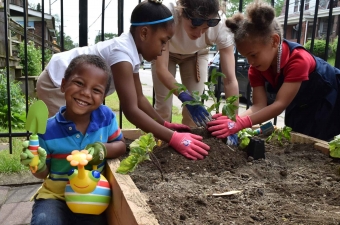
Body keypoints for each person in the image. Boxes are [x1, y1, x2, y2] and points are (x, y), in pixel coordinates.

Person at [36, 0, 210, 160]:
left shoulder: (131, 52)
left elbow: (140, 99)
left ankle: (78, 173)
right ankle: (61, 178)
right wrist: (173, 138)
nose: (164, 48)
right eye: (163, 41)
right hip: (56, 82)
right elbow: (131, 110)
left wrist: (164, 124)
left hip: (74, 84)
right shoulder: (122, 53)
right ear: (144, 33)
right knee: (68, 135)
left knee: (80, 133)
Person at [207, 0, 340, 141]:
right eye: (246, 57)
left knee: (320, 140)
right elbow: (259, 105)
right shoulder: (256, 68)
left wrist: (241, 123)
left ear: (274, 41)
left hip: (329, 97)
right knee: (297, 138)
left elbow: (280, 104)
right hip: (301, 103)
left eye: (253, 55)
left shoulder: (298, 60)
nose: (250, 62)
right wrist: (235, 121)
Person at [20, 54, 126, 225]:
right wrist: (37, 165)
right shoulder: (47, 130)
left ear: (103, 97)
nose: (85, 93)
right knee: (44, 220)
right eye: (79, 83)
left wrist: (103, 148)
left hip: (92, 196)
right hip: (55, 197)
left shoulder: (105, 117)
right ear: (63, 85)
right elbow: (42, 174)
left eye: (96, 90)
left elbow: (121, 145)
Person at [151, 0, 239, 127]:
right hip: (166, 53)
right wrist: (182, 93)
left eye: (205, 28)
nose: (199, 34)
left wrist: (233, 122)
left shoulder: (221, 25)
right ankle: (159, 143)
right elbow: (162, 69)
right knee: (163, 108)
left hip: (197, 55)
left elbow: (230, 80)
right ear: (181, 12)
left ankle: (189, 143)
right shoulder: (168, 13)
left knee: (193, 110)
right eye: (194, 27)